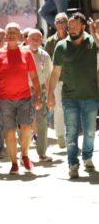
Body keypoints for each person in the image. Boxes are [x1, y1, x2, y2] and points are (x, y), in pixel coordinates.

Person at [47, 12, 99, 179]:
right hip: (69, 97)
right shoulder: (61, 46)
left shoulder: (92, 42)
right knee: (71, 132)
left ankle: (88, 158)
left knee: (90, 131)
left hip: (90, 95)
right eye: (69, 27)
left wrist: (94, 34)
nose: (71, 30)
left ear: (83, 27)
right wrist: (50, 95)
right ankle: (72, 163)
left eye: (75, 27)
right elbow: (55, 73)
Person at [0, 22, 42, 175]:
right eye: (9, 32)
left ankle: (24, 154)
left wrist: (38, 96)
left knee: (26, 129)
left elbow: (34, 77)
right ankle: (14, 163)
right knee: (9, 132)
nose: (11, 34)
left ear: (19, 36)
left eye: (14, 32)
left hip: (25, 98)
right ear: (5, 36)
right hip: (5, 100)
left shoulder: (27, 54)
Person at [25, 29, 53, 161]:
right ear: (27, 39)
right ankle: (24, 153)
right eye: (32, 38)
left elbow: (47, 78)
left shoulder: (45, 56)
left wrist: (49, 96)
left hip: (39, 91)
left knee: (42, 122)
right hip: (23, 90)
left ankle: (42, 152)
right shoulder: (21, 52)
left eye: (38, 38)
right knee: (23, 122)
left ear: (42, 40)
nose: (35, 41)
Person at [44, 12, 68, 148]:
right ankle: (60, 136)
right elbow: (47, 62)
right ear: (54, 24)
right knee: (59, 107)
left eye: (63, 21)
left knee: (71, 108)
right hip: (57, 79)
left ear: (67, 23)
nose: (60, 24)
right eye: (58, 21)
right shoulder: (50, 41)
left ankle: (71, 135)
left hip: (72, 79)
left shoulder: (73, 38)